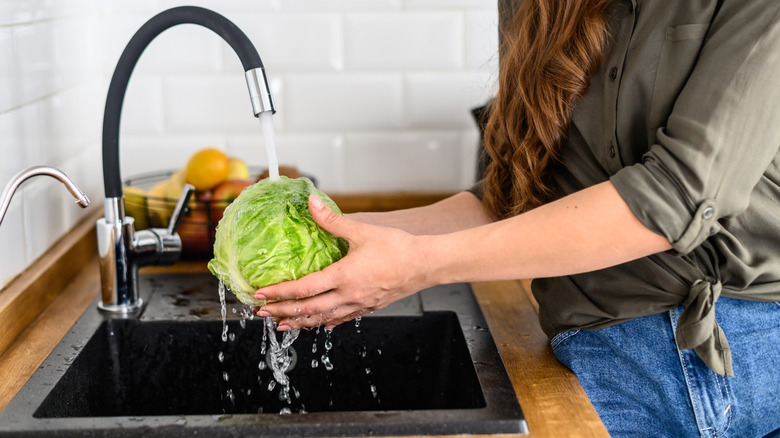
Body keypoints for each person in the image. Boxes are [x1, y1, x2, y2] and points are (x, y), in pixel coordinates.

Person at [255, 0, 780, 436]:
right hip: (594, 348)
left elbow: (674, 195)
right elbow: (519, 195)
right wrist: (330, 235)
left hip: (712, 356)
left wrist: (421, 264)